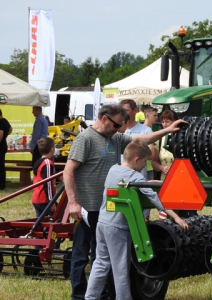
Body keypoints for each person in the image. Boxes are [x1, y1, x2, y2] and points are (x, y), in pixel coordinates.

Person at [63, 104, 185, 300]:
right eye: (118, 125)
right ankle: (79, 294)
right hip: (89, 210)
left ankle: (95, 296)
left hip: (103, 214)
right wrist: (73, 202)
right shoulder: (85, 139)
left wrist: (166, 131)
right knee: (85, 256)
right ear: (104, 119)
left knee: (100, 260)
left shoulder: (114, 140)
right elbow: (68, 171)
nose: (120, 129)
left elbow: (139, 140)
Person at [85, 139, 188, 300]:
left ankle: (90, 297)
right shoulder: (134, 176)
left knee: (100, 263)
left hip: (102, 223)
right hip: (118, 228)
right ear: (136, 160)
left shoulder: (113, 169)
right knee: (120, 270)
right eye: (145, 162)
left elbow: (132, 182)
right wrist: (176, 217)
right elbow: (156, 199)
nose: (144, 167)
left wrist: (148, 182)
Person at [152, 110, 198, 217]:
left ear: (175, 122)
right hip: (166, 183)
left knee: (189, 214)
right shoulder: (160, 140)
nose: (164, 124)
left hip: (184, 183)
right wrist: (162, 167)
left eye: (167, 121)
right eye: (162, 121)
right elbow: (154, 162)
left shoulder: (185, 138)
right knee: (166, 214)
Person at [120, 99, 155, 221]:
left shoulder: (145, 130)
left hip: (138, 179)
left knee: (140, 217)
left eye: (126, 110)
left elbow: (151, 154)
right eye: (121, 110)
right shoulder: (118, 131)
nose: (123, 113)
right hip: (121, 179)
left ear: (135, 111)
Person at [31, 137, 56, 217]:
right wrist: (51, 202)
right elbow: (47, 183)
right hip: (44, 199)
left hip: (36, 198)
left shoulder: (38, 162)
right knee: (60, 217)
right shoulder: (47, 163)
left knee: (40, 223)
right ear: (52, 149)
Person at [143, 107, 159, 180]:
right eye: (154, 115)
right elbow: (152, 153)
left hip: (147, 166)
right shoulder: (148, 130)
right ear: (147, 116)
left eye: (157, 115)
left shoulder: (146, 129)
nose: (156, 117)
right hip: (147, 167)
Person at [0, 109, 12, 190]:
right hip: (3, 145)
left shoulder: (0, 122)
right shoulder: (5, 121)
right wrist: (5, 136)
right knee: (1, 165)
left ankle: (1, 184)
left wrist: (3, 137)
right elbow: (10, 129)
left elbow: (0, 135)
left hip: (0, 146)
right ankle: (2, 184)